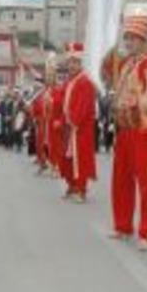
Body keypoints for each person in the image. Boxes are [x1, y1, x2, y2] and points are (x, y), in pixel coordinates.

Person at [109, 5, 147, 252]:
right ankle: (123, 226)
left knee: (146, 184)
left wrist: (138, 105)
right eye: (127, 38)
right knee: (120, 181)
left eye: (132, 38)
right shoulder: (125, 65)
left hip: (145, 131)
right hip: (125, 132)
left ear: (143, 40)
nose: (129, 42)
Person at [62, 42, 97, 203]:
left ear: (80, 64)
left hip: (80, 128)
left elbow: (84, 106)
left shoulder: (85, 82)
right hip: (69, 127)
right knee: (68, 158)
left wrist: (74, 121)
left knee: (80, 159)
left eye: (75, 62)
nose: (72, 65)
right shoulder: (69, 82)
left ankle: (81, 189)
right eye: (70, 62)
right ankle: (71, 185)